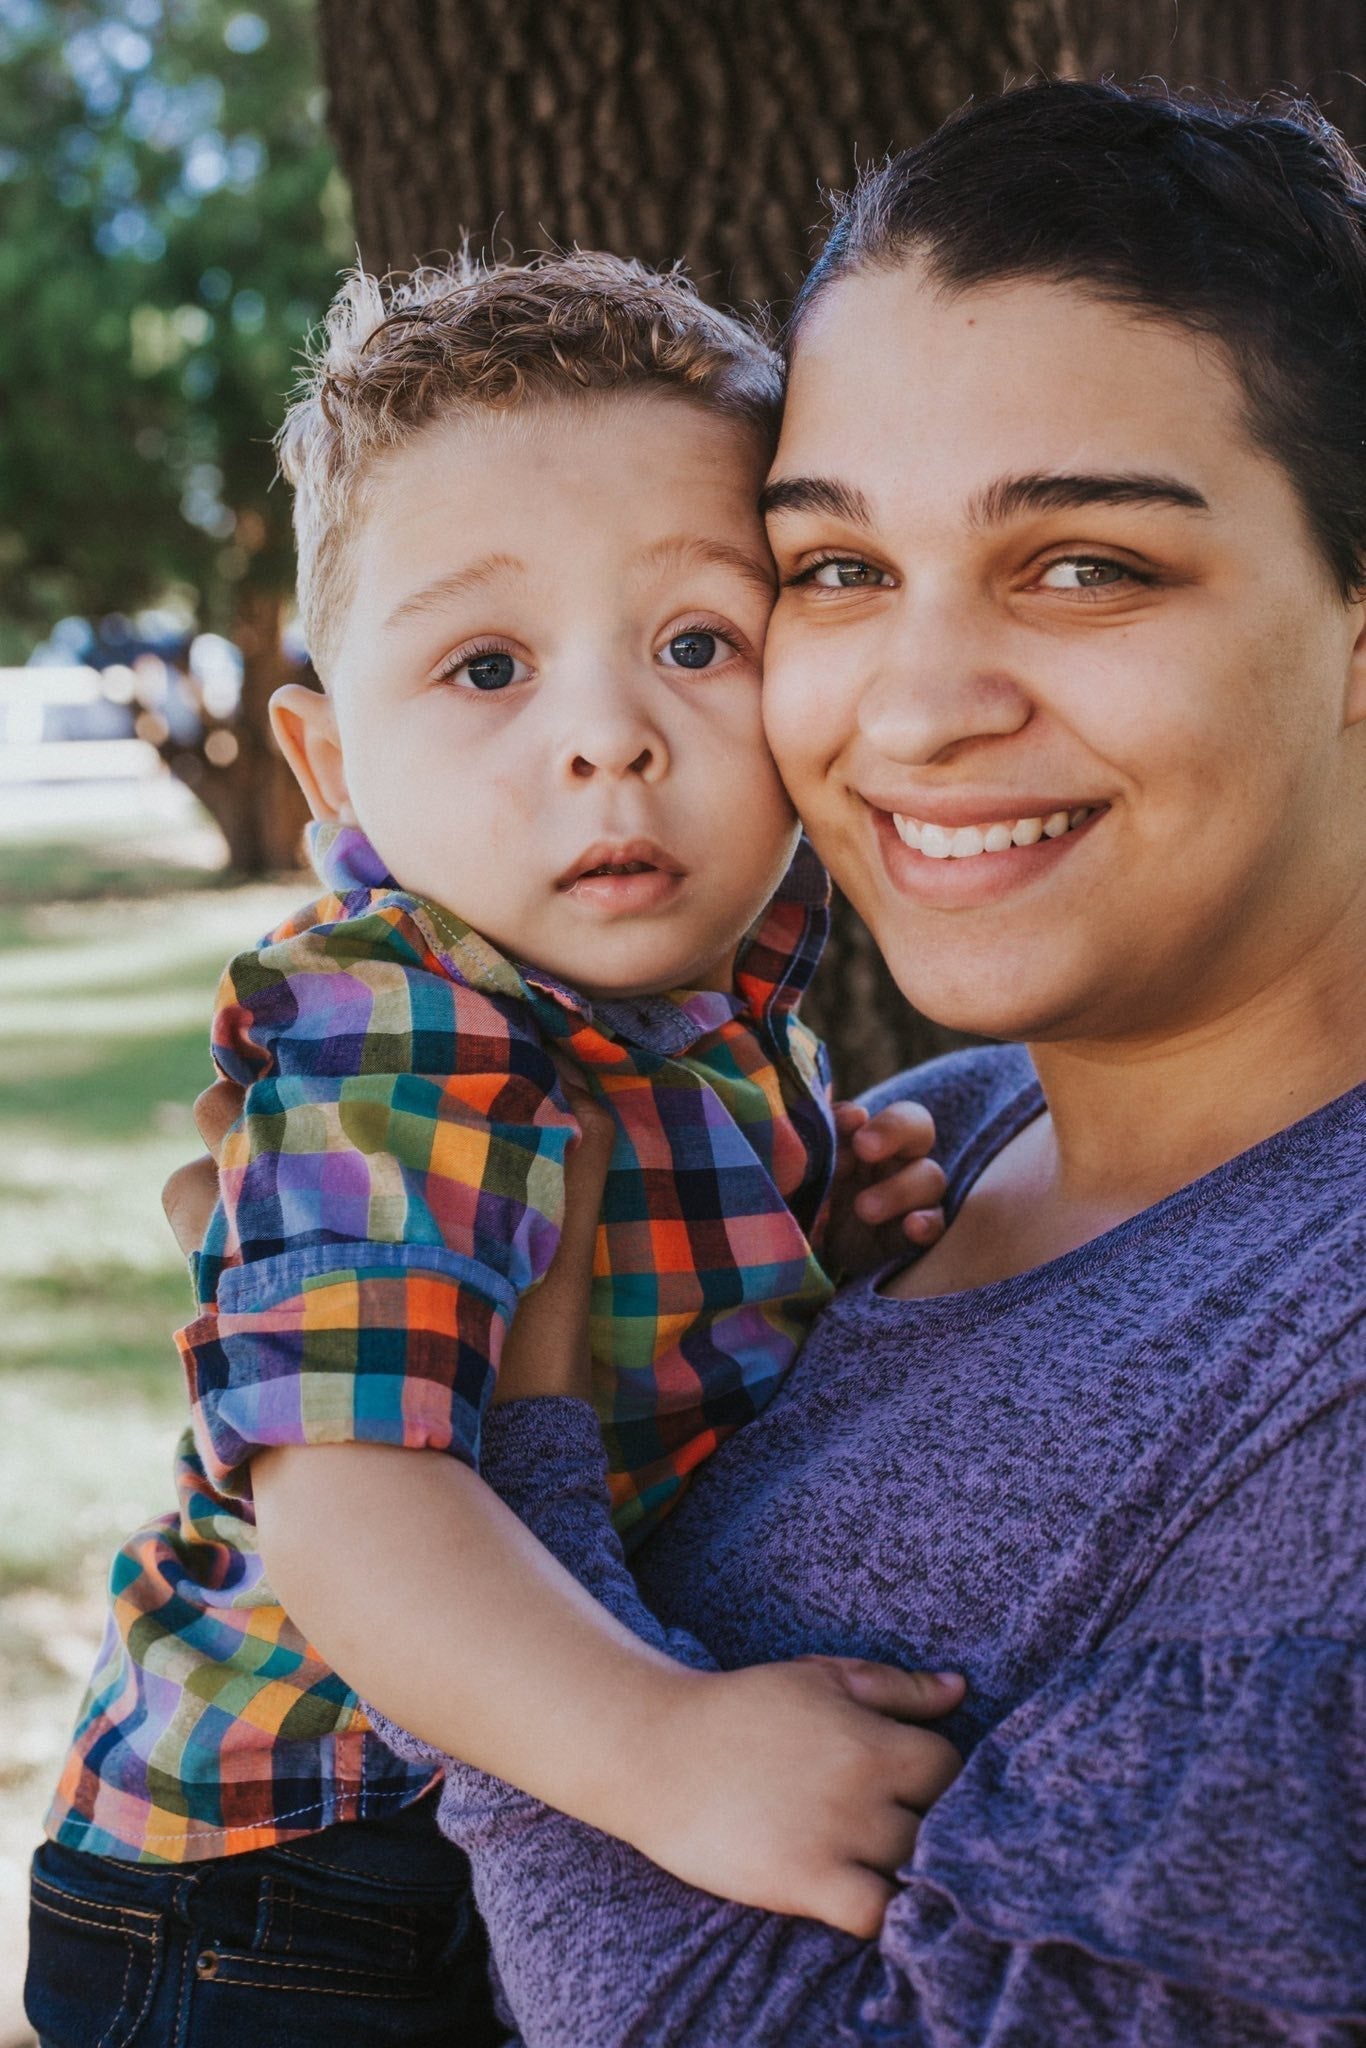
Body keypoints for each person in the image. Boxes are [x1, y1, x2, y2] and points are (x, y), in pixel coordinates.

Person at [368, 81, 1366, 2044]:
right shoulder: (916, 1146)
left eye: (1084, 565)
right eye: (831, 570)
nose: (910, 708)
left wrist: (499, 1433)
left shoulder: (1318, 1352)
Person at [25, 251, 957, 2048]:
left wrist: (808, 1235)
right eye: (484, 665)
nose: (607, 735)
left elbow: (611, 1313)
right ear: (332, 766)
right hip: (283, 1883)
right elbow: (351, 1490)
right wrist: (659, 1749)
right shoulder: (399, 1014)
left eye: (698, 641)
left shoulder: (707, 995)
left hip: (448, 1821)